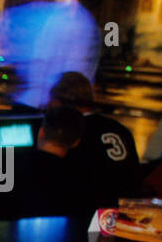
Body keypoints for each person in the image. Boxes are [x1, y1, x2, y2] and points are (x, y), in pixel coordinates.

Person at [47, 71, 141, 213]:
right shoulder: (120, 129)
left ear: (58, 102)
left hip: (88, 213)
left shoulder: (70, 131)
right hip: (126, 212)